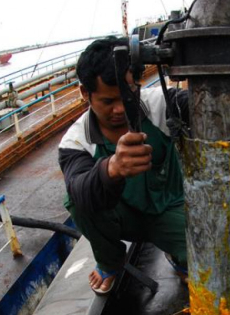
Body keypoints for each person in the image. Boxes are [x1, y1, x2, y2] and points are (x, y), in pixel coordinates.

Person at [58, 37, 188, 295]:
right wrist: (111, 169)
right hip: (121, 218)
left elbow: (200, 101)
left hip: (169, 209)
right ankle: (110, 262)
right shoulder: (75, 140)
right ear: (86, 93)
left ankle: (180, 256)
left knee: (209, 249)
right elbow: (79, 189)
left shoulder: (159, 104)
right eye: (108, 101)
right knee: (77, 200)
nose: (119, 109)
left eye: (127, 95)